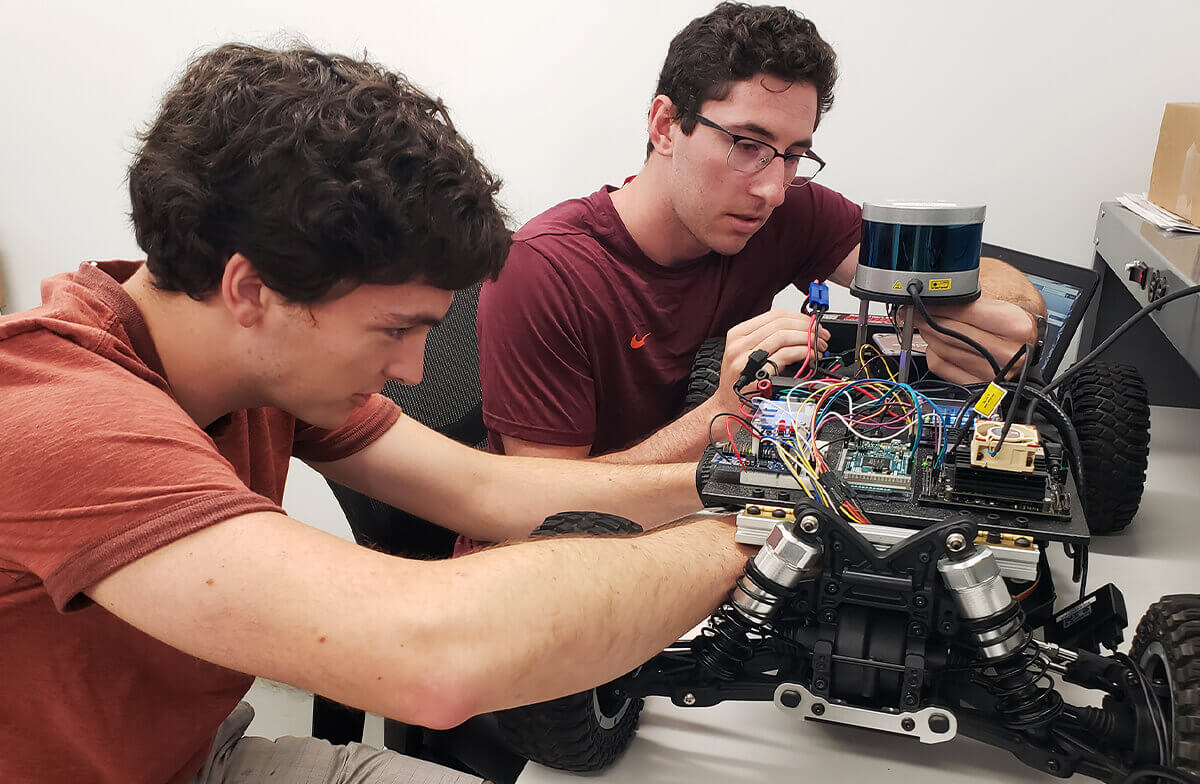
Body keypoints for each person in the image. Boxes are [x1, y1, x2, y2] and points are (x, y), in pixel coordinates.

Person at [0, 44, 751, 784]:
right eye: (396, 329)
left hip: (201, 756)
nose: (414, 369)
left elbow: (493, 492)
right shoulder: (64, 416)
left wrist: (752, 492)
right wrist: (751, 552)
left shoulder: (249, 364)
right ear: (252, 291)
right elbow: (429, 657)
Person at [477, 2, 1046, 463]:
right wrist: (720, 416)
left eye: (794, 155)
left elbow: (969, 280)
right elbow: (540, 511)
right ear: (666, 125)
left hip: (700, 513)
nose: (773, 188)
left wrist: (995, 319)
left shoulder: (789, 213)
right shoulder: (544, 270)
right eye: (747, 145)